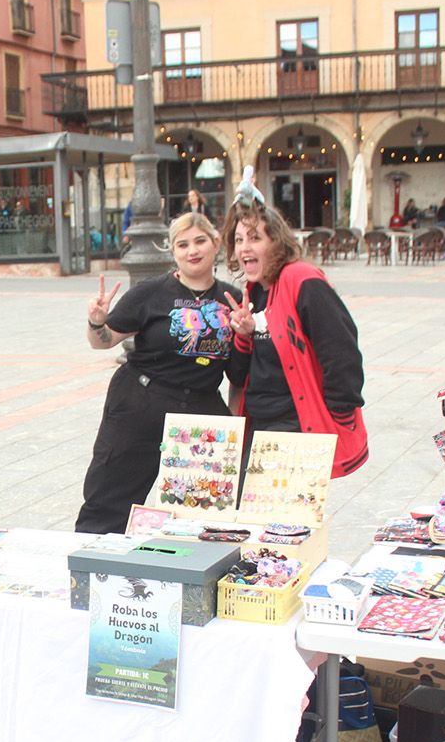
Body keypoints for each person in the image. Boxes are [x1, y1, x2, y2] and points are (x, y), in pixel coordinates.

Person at [74, 212, 236, 534]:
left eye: (200, 241)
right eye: (183, 244)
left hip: (201, 409)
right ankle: (93, 566)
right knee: (110, 500)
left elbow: (241, 365)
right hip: (142, 402)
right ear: (173, 251)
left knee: (203, 510)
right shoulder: (151, 292)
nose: (193, 250)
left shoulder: (232, 299)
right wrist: (96, 321)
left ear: (216, 243)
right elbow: (103, 342)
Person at [222, 188, 368, 479]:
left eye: (254, 238)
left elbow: (341, 350)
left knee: (281, 521)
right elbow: (237, 377)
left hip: (296, 425)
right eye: (238, 240)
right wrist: (243, 335)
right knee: (259, 521)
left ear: (276, 242)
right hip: (259, 425)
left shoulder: (301, 279)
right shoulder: (253, 293)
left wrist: (338, 414)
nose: (243, 248)